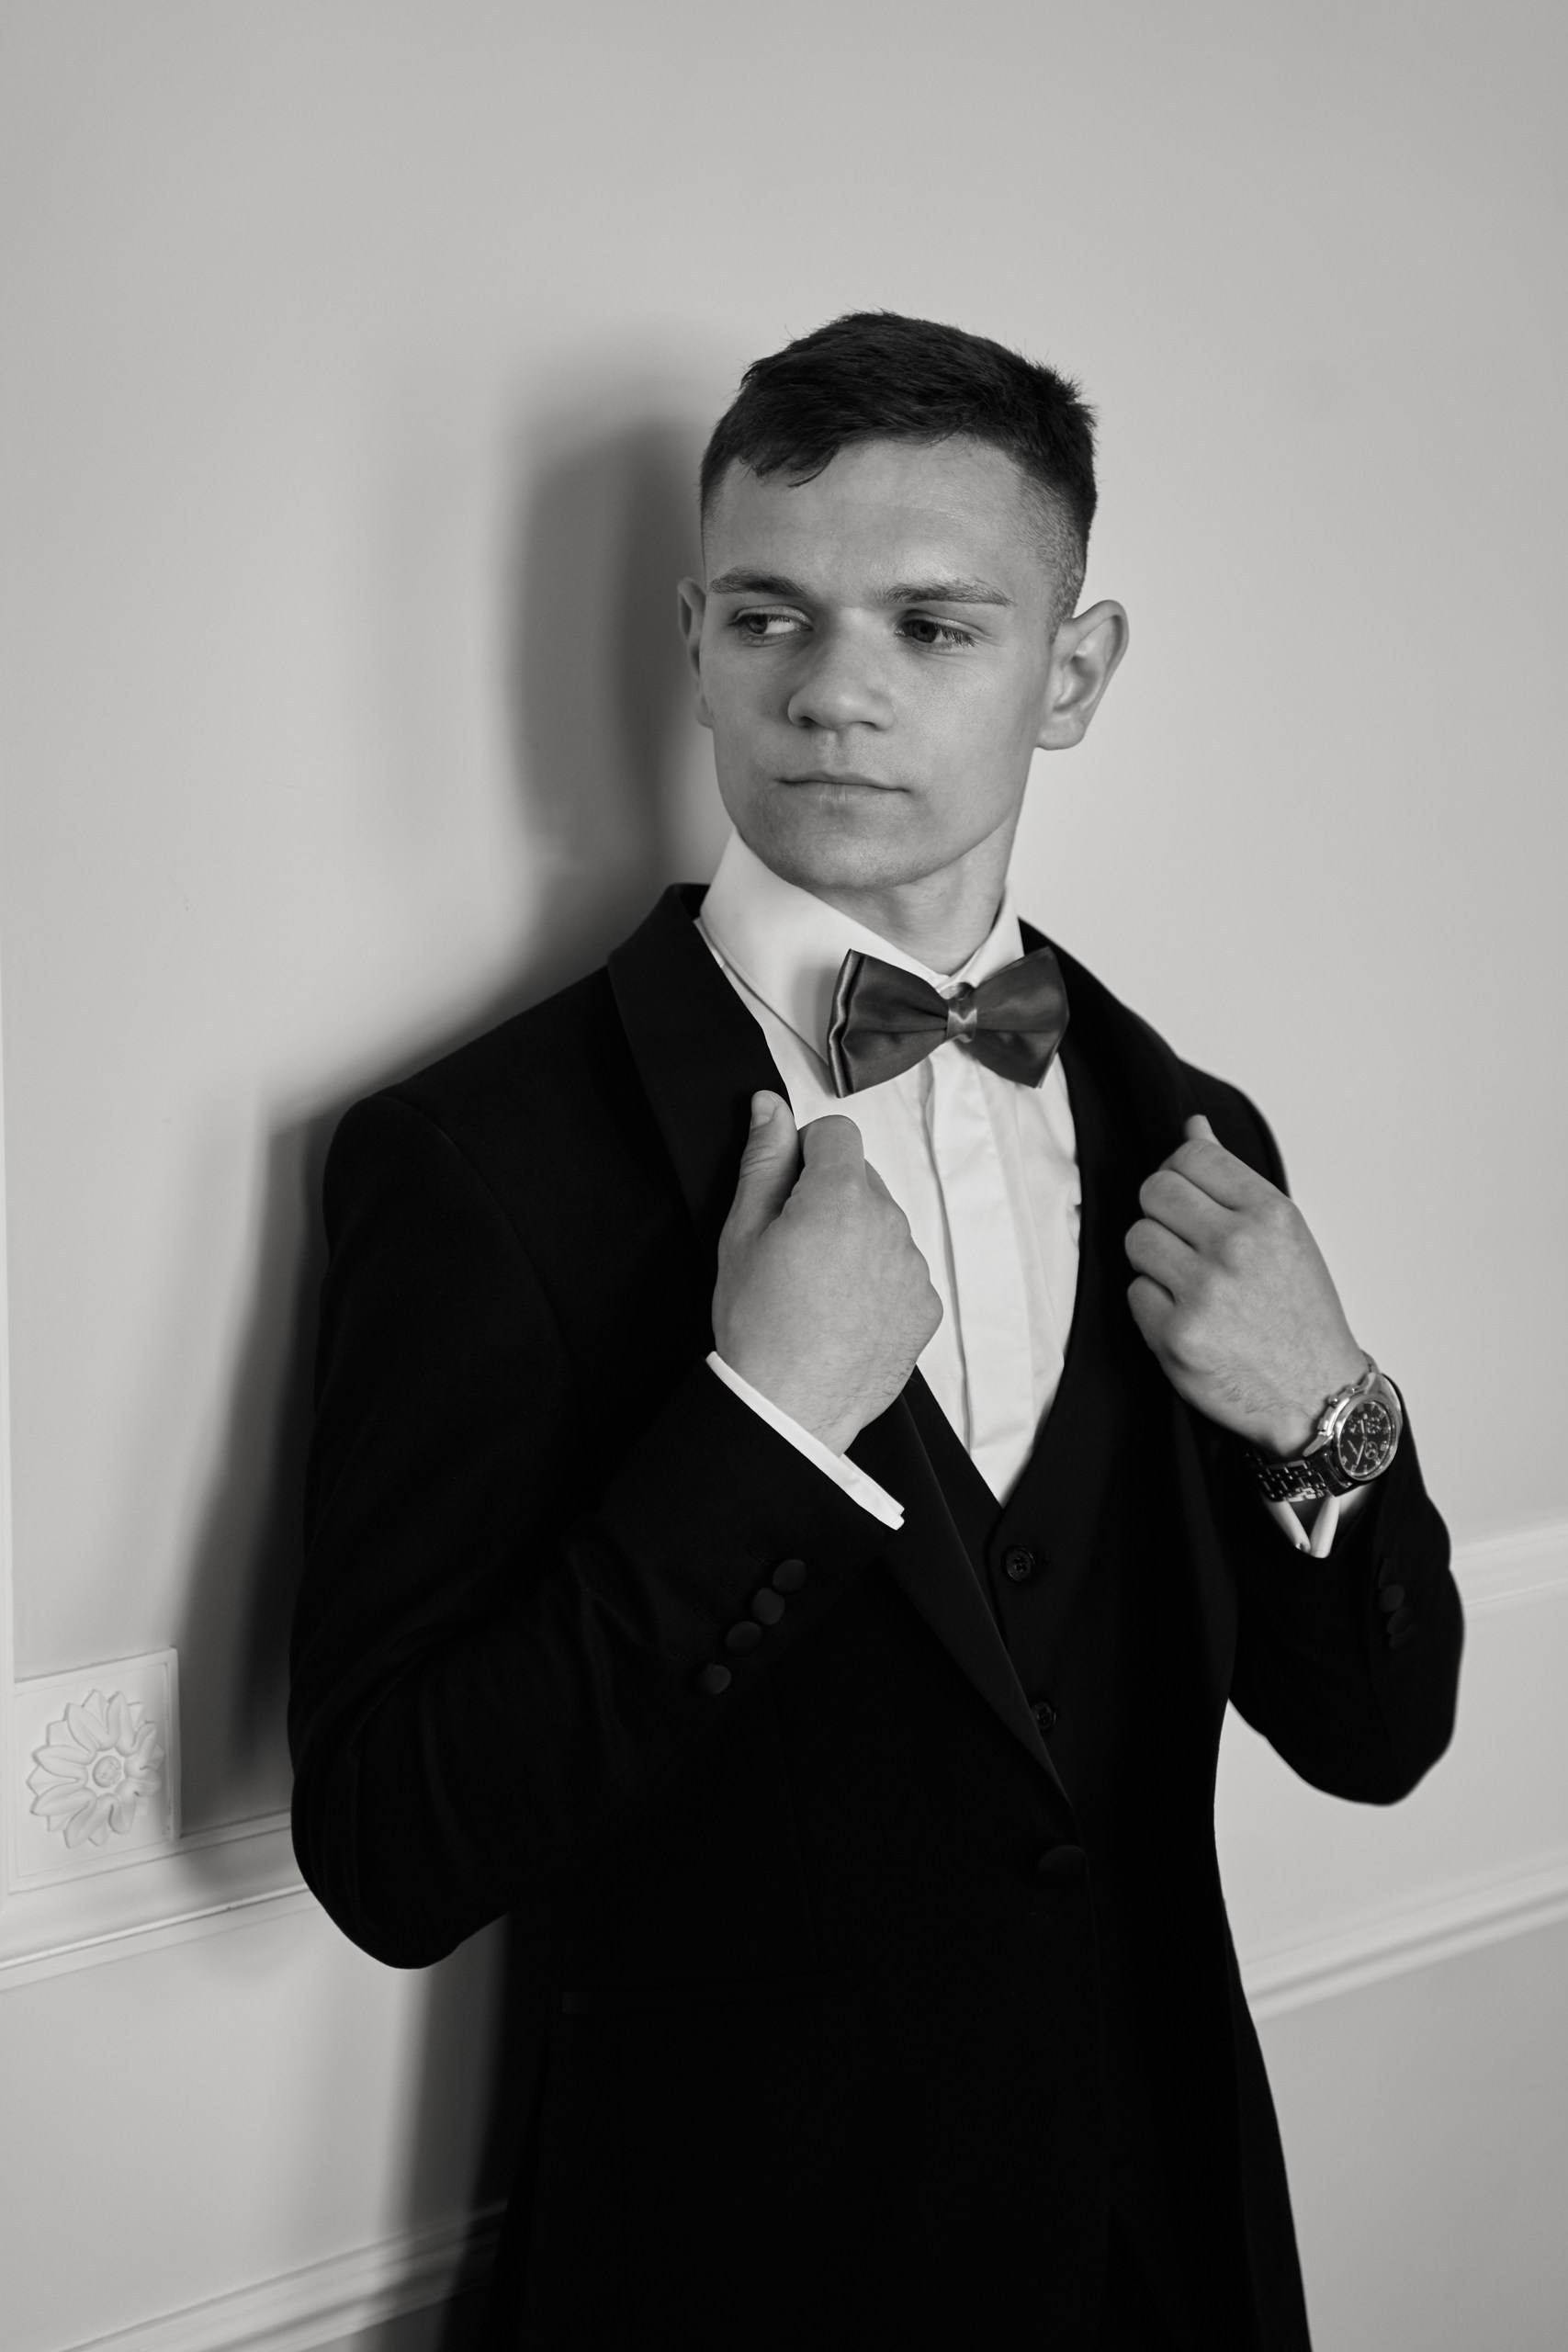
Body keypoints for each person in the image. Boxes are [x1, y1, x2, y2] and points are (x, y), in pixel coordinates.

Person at [288, 312, 1462, 2350]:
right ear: (694, 643)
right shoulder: (477, 1159)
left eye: (933, 626)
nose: (834, 690)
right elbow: (394, 1848)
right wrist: (759, 1431)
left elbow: (1380, 1739)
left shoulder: (1196, 1138)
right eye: (770, 616)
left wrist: (1326, 1410)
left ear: (1070, 674)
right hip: (725, 2281)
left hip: (1162, 2257)